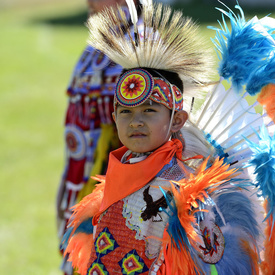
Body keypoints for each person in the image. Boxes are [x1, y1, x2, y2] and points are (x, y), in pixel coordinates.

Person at [61, 1, 263, 274]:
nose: (136, 121)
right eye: (126, 112)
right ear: (114, 116)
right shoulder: (121, 167)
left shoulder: (186, 190)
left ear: (177, 119)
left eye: (149, 110)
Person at [56, 0, 140, 273]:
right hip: (86, 171)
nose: (89, 2)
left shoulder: (142, 41)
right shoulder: (103, 38)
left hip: (120, 179)